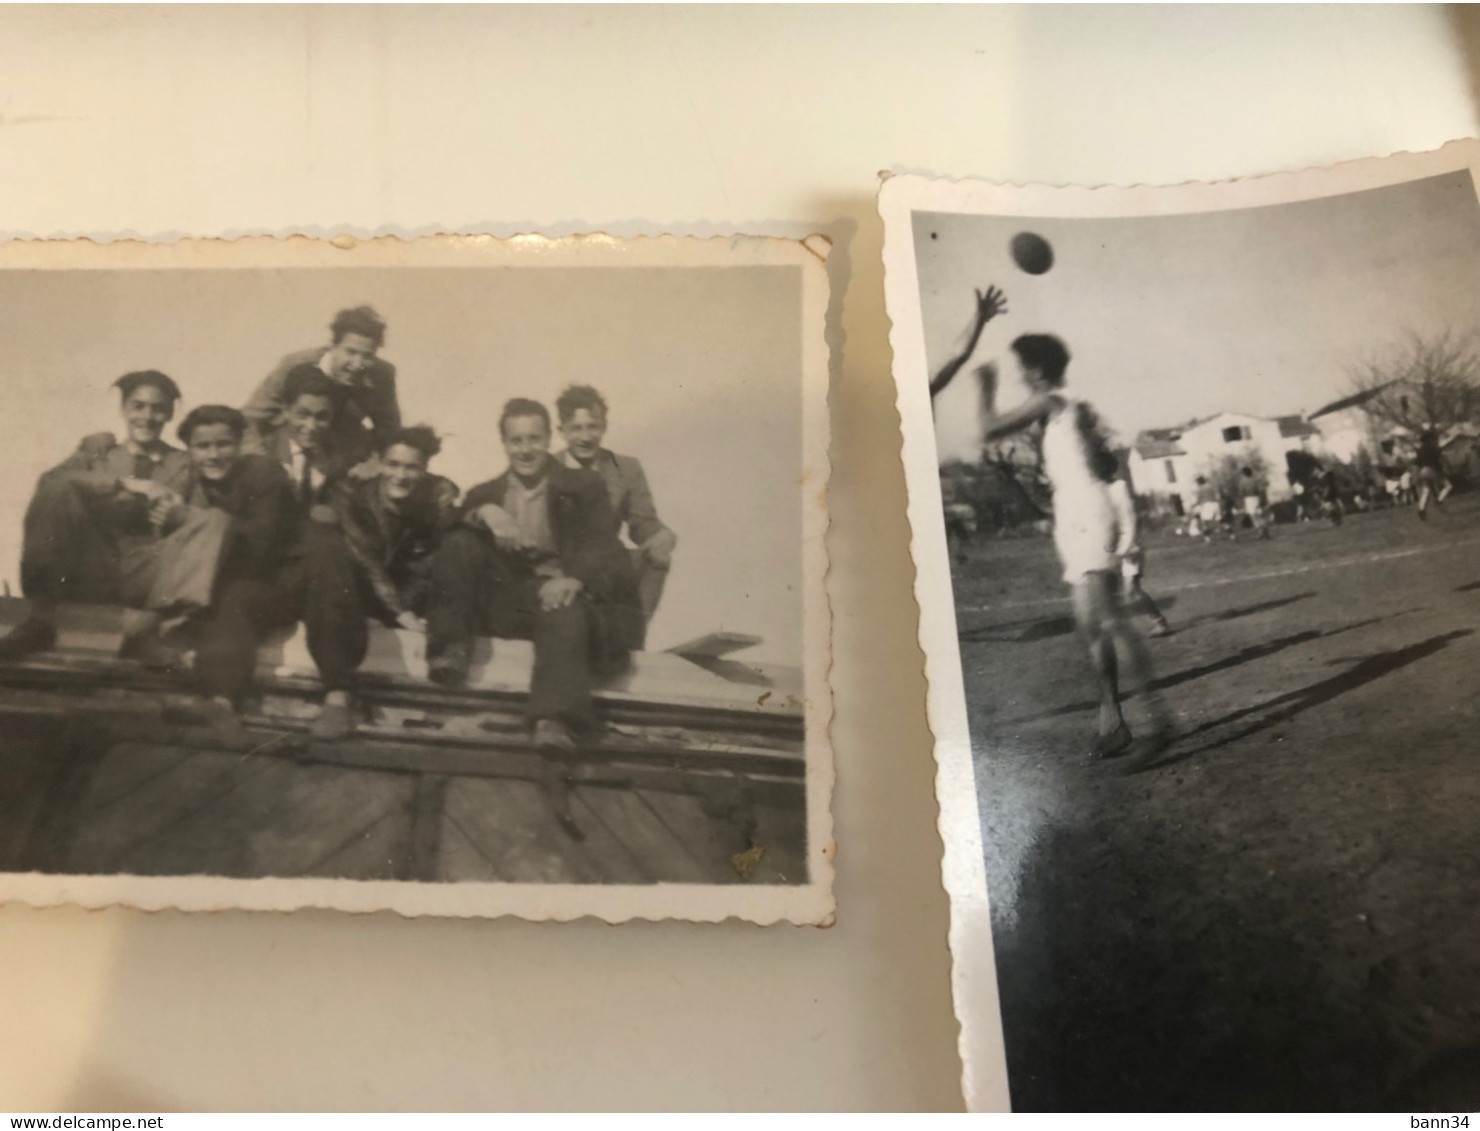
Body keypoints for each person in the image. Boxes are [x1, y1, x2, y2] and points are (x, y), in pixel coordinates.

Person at [424, 398, 643, 822]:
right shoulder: (488, 492)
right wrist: (481, 513)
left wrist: (575, 578)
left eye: (534, 439)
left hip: (558, 594)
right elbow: (444, 531)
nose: (525, 449)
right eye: (516, 440)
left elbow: (602, 543)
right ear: (504, 443)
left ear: (548, 440)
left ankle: (552, 719)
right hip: (506, 601)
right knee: (459, 544)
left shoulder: (583, 487)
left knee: (564, 610)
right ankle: (450, 649)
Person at [975, 327, 1169, 760]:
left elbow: (989, 428)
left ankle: (1160, 721)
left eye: (1023, 368)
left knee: (1111, 620)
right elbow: (1070, 469)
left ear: (1038, 370)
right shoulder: (1062, 413)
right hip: (1074, 517)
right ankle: (1113, 719)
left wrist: (984, 386)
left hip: (1088, 515)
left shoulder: (1053, 401)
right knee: (1090, 626)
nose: (1020, 376)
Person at [0, 371, 237, 665]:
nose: (147, 417)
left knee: (217, 519)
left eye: (157, 408)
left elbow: (201, 526)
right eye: (138, 406)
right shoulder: (98, 451)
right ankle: (40, 620)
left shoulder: (184, 463)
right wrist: (126, 484)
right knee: (57, 489)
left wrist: (179, 515)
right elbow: (53, 482)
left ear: (170, 414)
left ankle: (154, 632)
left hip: (149, 572)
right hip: (93, 565)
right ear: (123, 409)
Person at [192, 375, 371, 741]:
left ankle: (339, 699)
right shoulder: (252, 452)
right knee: (238, 596)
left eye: (322, 417)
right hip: (262, 569)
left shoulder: (336, 460)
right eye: (302, 414)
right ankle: (220, 703)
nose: (310, 425)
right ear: (285, 411)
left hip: (313, 571)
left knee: (328, 551)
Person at [554, 384, 677, 636]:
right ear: (562, 431)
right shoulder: (548, 468)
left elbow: (642, 522)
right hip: (559, 565)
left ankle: (632, 641)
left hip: (605, 565)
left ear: (604, 426)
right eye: (576, 428)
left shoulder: (625, 468)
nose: (585, 437)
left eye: (593, 426)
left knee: (656, 559)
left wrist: (662, 536)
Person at [326, 425, 460, 635]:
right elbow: (365, 559)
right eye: (393, 464)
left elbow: (428, 563)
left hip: (410, 599)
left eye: (412, 467)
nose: (401, 475)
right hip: (366, 592)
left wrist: (406, 610)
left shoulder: (437, 498)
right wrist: (401, 613)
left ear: (425, 468)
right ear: (380, 463)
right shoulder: (353, 496)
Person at [241, 305, 400, 467]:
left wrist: (372, 463)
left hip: (337, 460)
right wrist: (260, 465)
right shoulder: (294, 365)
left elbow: (390, 432)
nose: (357, 365)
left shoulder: (382, 375)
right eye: (351, 352)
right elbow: (248, 419)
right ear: (333, 345)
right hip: (284, 454)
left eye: (368, 356)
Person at [1105, 473, 1172, 637]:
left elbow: (1129, 520)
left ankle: (1160, 622)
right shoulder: (1107, 490)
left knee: (1131, 590)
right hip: (1122, 544)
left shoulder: (1119, 489)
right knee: (1126, 590)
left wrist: (1126, 545)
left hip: (1130, 545)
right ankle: (1158, 622)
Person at [1414, 426, 1452, 520]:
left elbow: (1417, 464)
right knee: (1448, 486)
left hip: (1422, 471)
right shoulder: (1434, 449)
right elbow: (1440, 461)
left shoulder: (1419, 451)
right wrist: (1443, 470)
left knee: (1426, 491)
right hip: (1432, 470)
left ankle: (1421, 509)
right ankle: (1439, 500)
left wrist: (1417, 475)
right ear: (1429, 439)